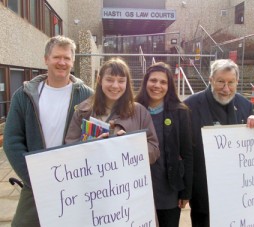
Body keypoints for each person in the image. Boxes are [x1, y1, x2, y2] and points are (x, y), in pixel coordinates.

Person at [3, 35, 93, 226]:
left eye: (67, 58)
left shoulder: (87, 96)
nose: (62, 62)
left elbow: (99, 136)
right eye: (57, 57)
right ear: (46, 59)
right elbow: (12, 141)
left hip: (75, 184)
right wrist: (34, 178)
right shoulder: (24, 95)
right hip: (36, 184)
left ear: (73, 61)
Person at [184, 59, 254, 227]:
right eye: (220, 82)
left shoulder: (245, 106)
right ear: (211, 79)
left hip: (237, 190)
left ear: (237, 82)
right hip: (203, 190)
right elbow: (185, 151)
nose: (226, 89)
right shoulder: (189, 106)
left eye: (231, 82)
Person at [65, 57, 160, 164]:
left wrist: (130, 145)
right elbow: (69, 149)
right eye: (109, 80)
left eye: (121, 81)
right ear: (99, 80)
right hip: (93, 177)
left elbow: (154, 150)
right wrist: (91, 147)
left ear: (127, 83)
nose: (115, 86)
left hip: (126, 178)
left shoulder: (139, 112)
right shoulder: (83, 110)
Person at [135, 62, 193, 227]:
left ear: (169, 86)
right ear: (145, 82)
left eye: (163, 82)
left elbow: (187, 154)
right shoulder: (132, 110)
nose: (157, 86)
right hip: (139, 189)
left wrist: (186, 192)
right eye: (153, 80)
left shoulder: (180, 112)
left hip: (169, 189)